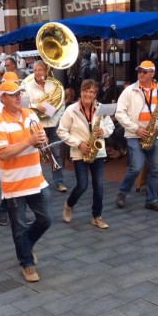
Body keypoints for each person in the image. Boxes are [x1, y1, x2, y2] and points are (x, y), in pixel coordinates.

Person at [0, 81, 53, 282]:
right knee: (18, 227)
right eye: (12, 94)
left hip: (36, 179)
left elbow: (41, 139)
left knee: (46, 219)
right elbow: (4, 155)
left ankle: (26, 245)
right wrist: (29, 141)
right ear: (3, 98)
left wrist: (43, 140)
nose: (18, 97)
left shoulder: (31, 115)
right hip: (15, 184)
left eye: (19, 93)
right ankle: (27, 263)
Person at [57, 79, 114, 228]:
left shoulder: (101, 108)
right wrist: (78, 143)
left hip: (98, 152)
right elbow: (61, 131)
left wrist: (104, 131)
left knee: (99, 186)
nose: (89, 94)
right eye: (86, 91)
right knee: (82, 185)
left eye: (92, 92)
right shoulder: (71, 110)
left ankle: (97, 216)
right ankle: (69, 204)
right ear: (81, 92)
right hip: (79, 152)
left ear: (95, 94)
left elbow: (111, 126)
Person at [115, 60, 158, 212]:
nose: (140, 74)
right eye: (139, 71)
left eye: (144, 72)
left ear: (152, 73)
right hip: (134, 134)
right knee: (136, 166)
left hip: (154, 135)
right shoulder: (129, 90)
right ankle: (122, 192)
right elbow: (119, 113)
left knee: (154, 169)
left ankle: (151, 199)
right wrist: (135, 128)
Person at [23, 60, 67, 192]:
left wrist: (57, 117)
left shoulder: (54, 86)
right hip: (37, 125)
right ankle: (37, 181)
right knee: (36, 153)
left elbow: (61, 104)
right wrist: (37, 106)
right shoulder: (27, 86)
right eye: (35, 70)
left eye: (40, 70)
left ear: (46, 71)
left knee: (56, 153)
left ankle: (59, 182)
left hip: (52, 123)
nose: (37, 73)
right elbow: (23, 106)